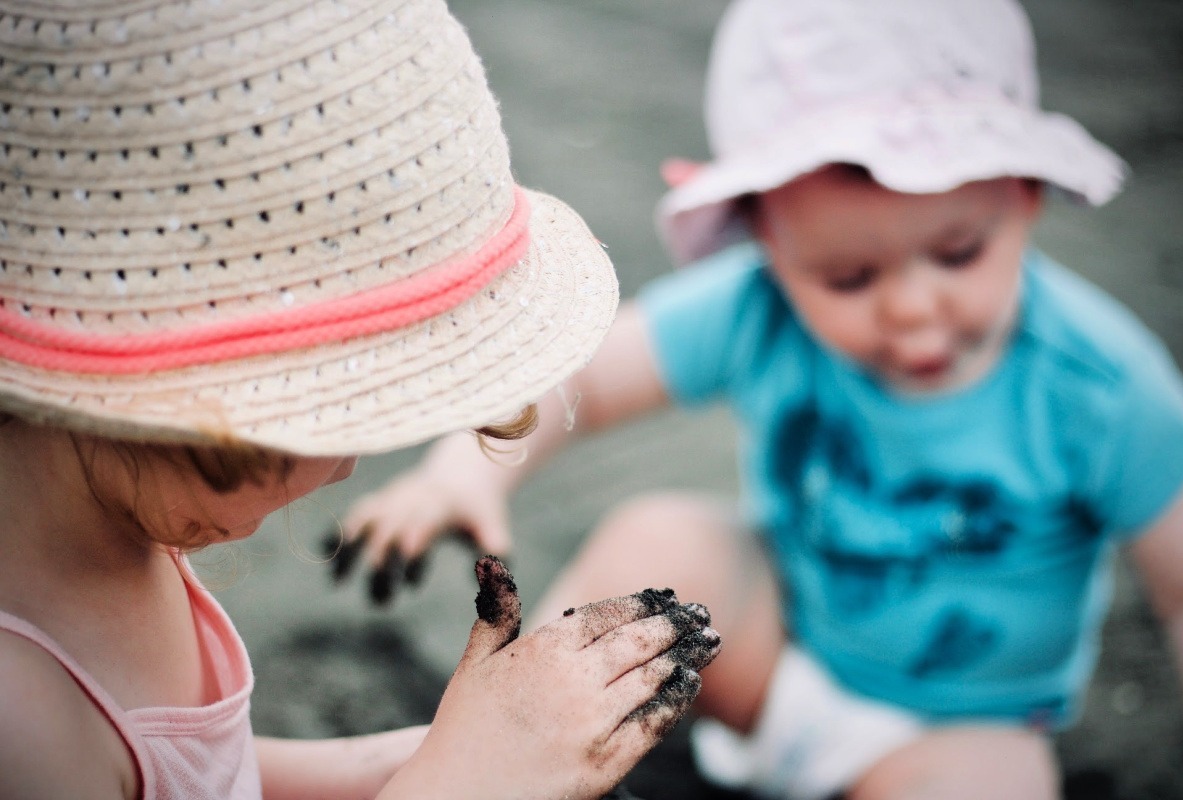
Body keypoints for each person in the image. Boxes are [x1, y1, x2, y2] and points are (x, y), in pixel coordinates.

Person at [333, 0, 1183, 798]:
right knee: (661, 537)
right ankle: (539, 736)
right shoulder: (760, 307)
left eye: (959, 252)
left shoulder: (1099, 386)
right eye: (847, 277)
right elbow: (585, 379)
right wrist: (464, 474)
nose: (910, 306)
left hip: (959, 727)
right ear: (767, 240)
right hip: (768, 649)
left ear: (1023, 196)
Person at [0, 1, 725, 798]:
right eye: (334, 413)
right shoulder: (22, 725)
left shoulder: (104, 520)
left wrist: (416, 760)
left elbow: (207, 779)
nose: (347, 466)